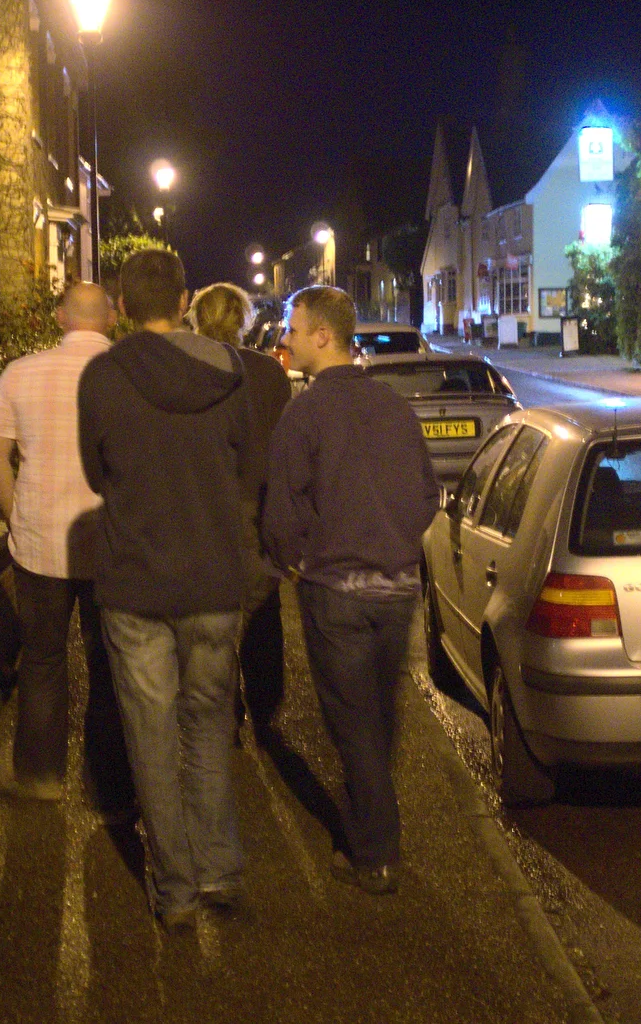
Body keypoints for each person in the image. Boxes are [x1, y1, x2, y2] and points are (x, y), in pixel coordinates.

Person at [77, 249, 256, 929]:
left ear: (121, 307)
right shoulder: (230, 372)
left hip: (137, 586)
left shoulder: (102, 376)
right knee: (207, 726)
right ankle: (220, 869)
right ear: (183, 300)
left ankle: (176, 889)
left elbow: (96, 475)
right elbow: (245, 469)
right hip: (213, 579)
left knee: (151, 735)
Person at [262, 285, 439, 895]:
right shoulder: (393, 407)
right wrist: (395, 543)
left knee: (354, 722)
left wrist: (292, 560)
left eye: (291, 326)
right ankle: (373, 820)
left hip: (335, 589)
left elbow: (281, 508)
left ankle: (377, 854)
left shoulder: (302, 414)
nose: (283, 338)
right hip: (396, 590)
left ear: (322, 336)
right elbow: (426, 495)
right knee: (380, 713)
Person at [0, 281, 132, 813]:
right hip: (112, 543)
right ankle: (107, 782)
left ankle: (41, 774)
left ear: (61, 317)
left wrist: (17, 513)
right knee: (110, 663)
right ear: (110, 319)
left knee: (42, 660)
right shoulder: (131, 373)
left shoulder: (22, 372)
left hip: (41, 543)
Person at [187, 283, 291, 738]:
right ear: (245, 318)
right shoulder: (268, 372)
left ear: (196, 318)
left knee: (209, 619)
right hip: (259, 505)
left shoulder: (187, 368)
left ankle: (223, 710)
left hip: (204, 507)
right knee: (262, 612)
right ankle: (266, 711)